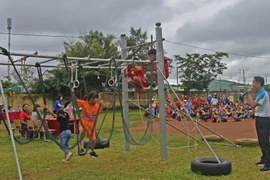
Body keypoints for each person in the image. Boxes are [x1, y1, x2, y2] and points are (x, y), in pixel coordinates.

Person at [247, 76, 270, 172]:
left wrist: (249, 94)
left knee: (264, 141)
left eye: (253, 83)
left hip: (264, 120)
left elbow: (252, 104)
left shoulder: (263, 94)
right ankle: (264, 159)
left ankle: (268, 164)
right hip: (260, 118)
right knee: (261, 140)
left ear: (258, 84)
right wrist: (254, 112)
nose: (252, 85)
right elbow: (256, 107)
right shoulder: (260, 93)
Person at [73, 90, 104, 158]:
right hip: (84, 122)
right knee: (82, 132)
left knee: (93, 140)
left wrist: (102, 105)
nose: (96, 100)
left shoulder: (96, 106)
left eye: (96, 99)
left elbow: (100, 112)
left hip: (91, 124)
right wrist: (72, 92)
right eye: (95, 99)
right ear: (90, 99)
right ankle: (81, 148)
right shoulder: (84, 103)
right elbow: (75, 100)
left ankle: (92, 152)